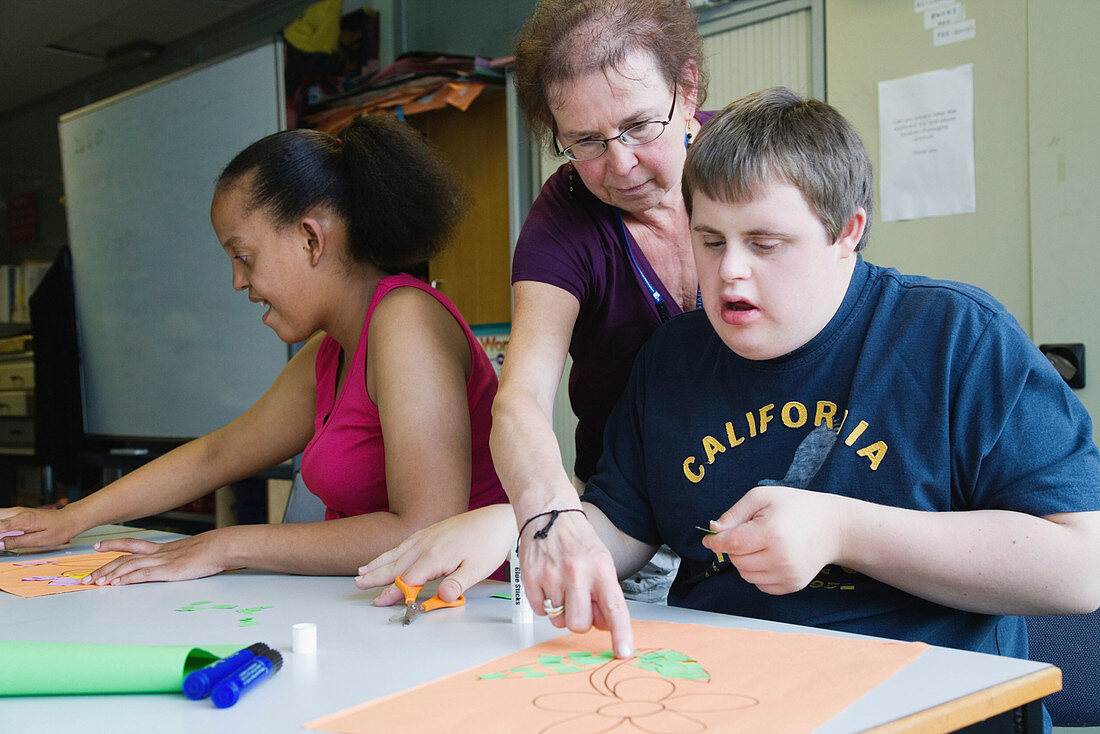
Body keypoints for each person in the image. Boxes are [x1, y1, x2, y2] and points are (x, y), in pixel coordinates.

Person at [357, 88, 1100, 672]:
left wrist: (841, 529)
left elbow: (1079, 567)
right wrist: (524, 528)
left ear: (848, 232)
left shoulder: (954, 338)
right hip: (719, 686)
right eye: (710, 242)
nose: (731, 272)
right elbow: (624, 525)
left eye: (766, 243)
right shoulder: (673, 359)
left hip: (919, 694)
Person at [0, 115, 507, 584]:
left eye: (244, 256)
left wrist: (225, 545)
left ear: (311, 238)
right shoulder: (329, 353)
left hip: (468, 616)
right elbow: (215, 456)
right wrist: (70, 518)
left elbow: (426, 530)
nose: (238, 281)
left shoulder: (407, 321)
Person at [492, 0, 716, 604]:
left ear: (687, 88)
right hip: (625, 523)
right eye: (586, 142)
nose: (620, 165)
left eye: (641, 126)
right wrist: (551, 518)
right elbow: (522, 398)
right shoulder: (564, 217)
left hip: (756, 502)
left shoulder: (750, 161)